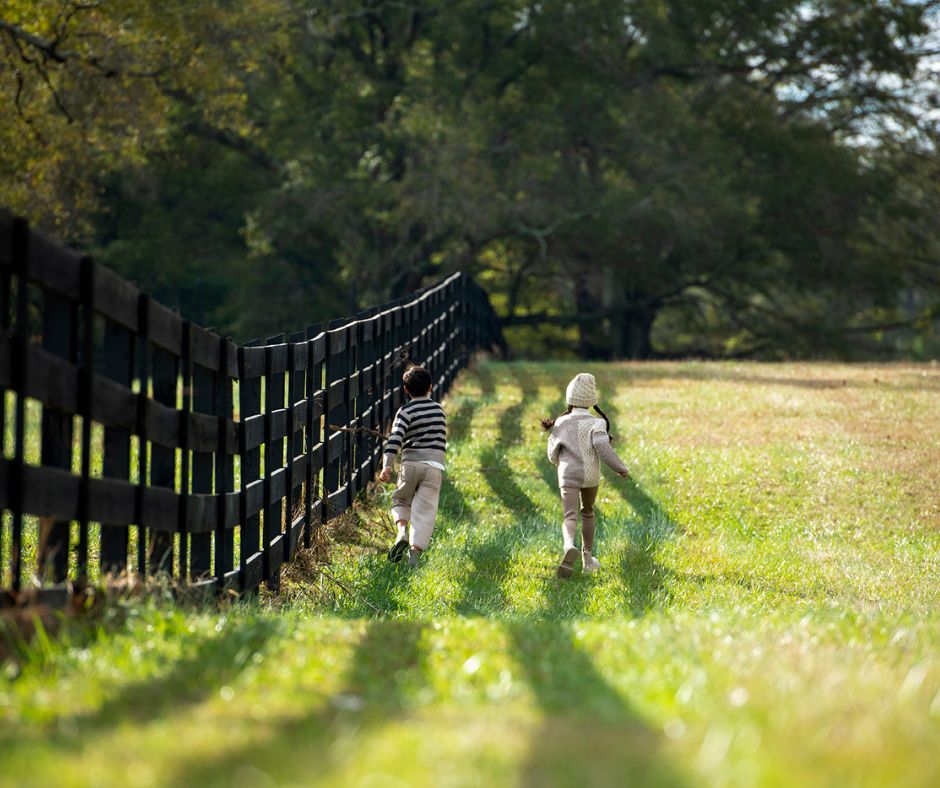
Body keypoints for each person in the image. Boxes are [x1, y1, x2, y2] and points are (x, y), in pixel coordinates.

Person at [542, 372, 630, 578]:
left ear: (569, 398)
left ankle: (568, 546)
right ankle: (587, 559)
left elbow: (552, 453)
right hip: (590, 475)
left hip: (567, 475)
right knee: (588, 512)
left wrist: (561, 463)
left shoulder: (561, 423)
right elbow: (602, 446)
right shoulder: (597, 423)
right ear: (591, 400)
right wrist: (620, 467)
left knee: (569, 515)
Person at [378, 364, 447, 567]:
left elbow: (395, 438)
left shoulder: (405, 411)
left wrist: (387, 465)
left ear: (406, 389)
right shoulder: (438, 410)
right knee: (425, 511)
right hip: (434, 466)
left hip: (410, 464)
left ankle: (401, 533)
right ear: (431, 387)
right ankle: (414, 557)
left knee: (400, 501)